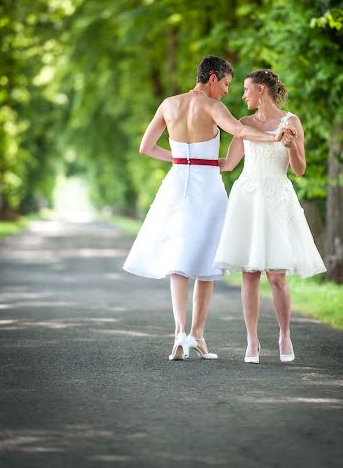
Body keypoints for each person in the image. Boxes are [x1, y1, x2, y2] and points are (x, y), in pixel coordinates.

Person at [123, 57, 293, 361]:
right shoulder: (213, 107)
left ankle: (179, 334)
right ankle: (198, 335)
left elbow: (146, 148)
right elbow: (240, 133)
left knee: (178, 259)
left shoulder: (168, 104)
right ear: (212, 78)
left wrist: (180, 159)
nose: (228, 91)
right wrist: (273, 136)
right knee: (207, 261)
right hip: (207, 185)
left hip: (177, 182)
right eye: (227, 84)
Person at [214, 69, 327, 364]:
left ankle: (284, 334)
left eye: (246, 90)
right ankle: (252, 341)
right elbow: (228, 164)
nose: (242, 95)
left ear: (261, 90)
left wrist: (290, 147)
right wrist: (191, 156)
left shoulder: (291, 122)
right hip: (248, 197)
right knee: (249, 274)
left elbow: (300, 169)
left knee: (276, 275)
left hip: (277, 196)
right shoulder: (244, 123)